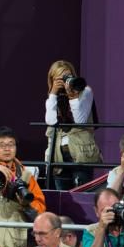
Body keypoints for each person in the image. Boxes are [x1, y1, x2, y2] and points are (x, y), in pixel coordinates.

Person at [45, 60, 101, 189]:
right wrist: (53, 93)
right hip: (58, 153)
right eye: (61, 77)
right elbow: (51, 122)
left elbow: (80, 120)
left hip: (80, 151)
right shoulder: (54, 96)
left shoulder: (85, 91)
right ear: (53, 79)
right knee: (62, 198)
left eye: (68, 76)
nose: (66, 81)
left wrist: (73, 96)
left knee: (82, 193)